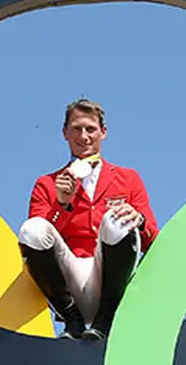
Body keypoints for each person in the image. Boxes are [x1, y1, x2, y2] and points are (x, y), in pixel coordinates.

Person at [18, 98, 159, 340]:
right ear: (65, 133)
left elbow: (152, 240)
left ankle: (105, 317)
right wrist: (62, 204)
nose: (84, 137)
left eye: (90, 129)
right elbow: (35, 241)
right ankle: (71, 319)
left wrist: (140, 220)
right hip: (67, 277)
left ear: (103, 133)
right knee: (32, 228)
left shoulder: (128, 178)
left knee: (117, 218)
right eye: (76, 129)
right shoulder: (47, 183)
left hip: (109, 276)